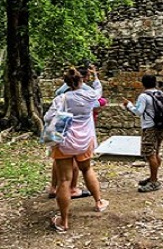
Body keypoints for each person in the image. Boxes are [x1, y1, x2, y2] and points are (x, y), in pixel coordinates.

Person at [44, 67, 109, 232]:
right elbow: (99, 92)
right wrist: (95, 76)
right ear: (82, 81)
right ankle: (99, 202)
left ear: (66, 83)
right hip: (85, 142)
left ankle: (64, 221)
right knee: (87, 170)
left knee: (64, 181)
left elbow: (48, 117)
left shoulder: (61, 99)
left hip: (64, 143)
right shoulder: (90, 96)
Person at [123, 74, 163, 193]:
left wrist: (129, 105)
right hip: (160, 126)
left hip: (149, 127)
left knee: (149, 153)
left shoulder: (144, 96)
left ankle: (154, 181)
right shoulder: (160, 94)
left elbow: (138, 112)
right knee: (156, 151)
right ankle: (153, 177)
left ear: (143, 84)